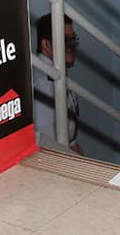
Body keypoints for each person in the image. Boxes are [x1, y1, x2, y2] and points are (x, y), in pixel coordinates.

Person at [33, 12, 83, 155]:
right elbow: (48, 142)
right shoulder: (45, 84)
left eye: (73, 39)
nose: (71, 45)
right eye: (65, 40)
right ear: (45, 44)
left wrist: (72, 144)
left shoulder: (54, 75)